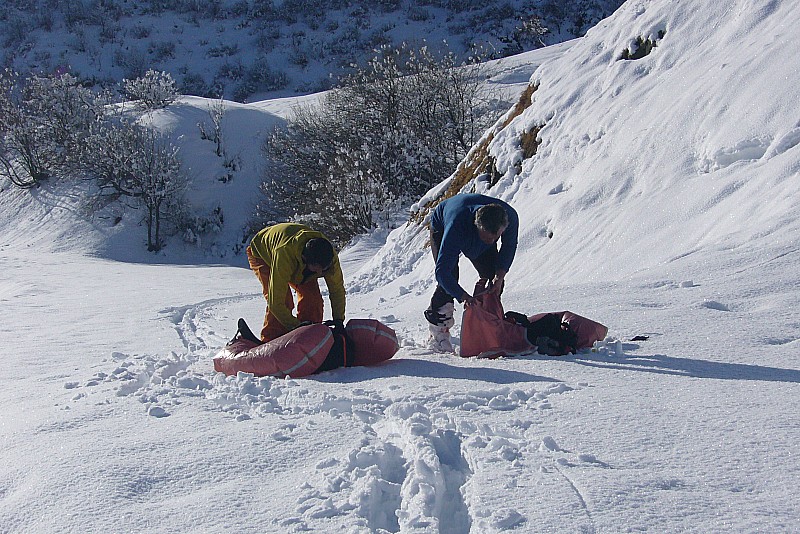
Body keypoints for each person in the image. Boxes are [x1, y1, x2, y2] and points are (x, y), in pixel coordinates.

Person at [425, 194, 519, 352]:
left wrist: (499, 276)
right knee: (450, 279)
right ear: (477, 226)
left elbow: (509, 246)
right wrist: (463, 297)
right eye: (487, 237)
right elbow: (442, 272)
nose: (491, 241)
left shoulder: (509, 217)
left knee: (493, 282)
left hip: (475, 230)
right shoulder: (457, 226)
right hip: (443, 225)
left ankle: (485, 327)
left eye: (495, 237)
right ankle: (437, 332)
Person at [247, 222, 346, 342]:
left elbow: (337, 290)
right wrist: (295, 326)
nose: (320, 272)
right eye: (317, 268)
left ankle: (310, 339)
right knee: (285, 300)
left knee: (312, 299)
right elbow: (276, 303)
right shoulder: (284, 254)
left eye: (323, 269)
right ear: (305, 259)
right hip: (262, 254)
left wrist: (339, 320)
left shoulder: (329, 259)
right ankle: (271, 341)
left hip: (299, 263)